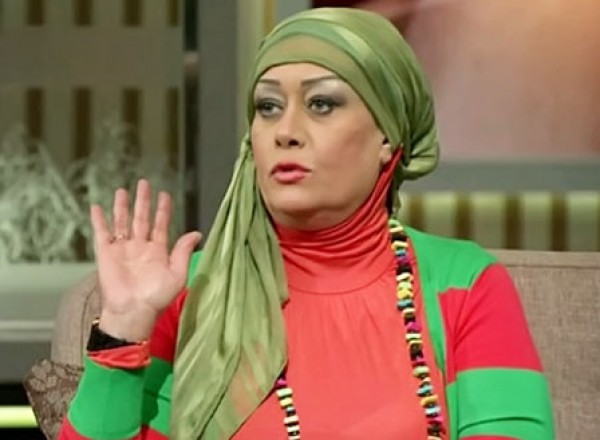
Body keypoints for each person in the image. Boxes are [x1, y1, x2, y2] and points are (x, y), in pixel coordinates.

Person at [58, 7, 554, 440]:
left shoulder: (464, 284)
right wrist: (122, 327)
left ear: (388, 135)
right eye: (268, 107)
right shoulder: (193, 290)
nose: (286, 132)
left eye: (322, 104)